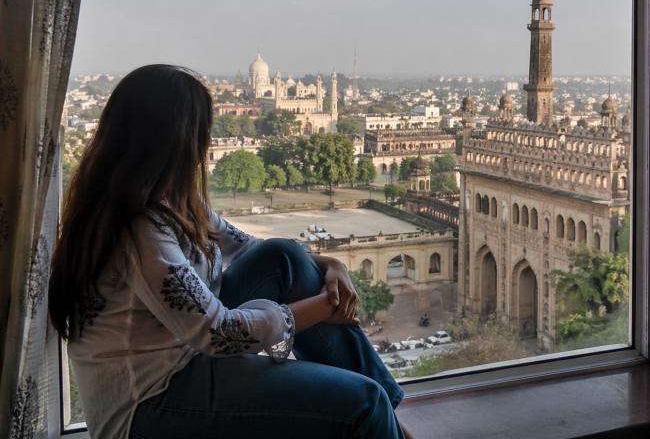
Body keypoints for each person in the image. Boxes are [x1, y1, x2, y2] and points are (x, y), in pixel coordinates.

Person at [49, 65, 410, 439]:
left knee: (282, 258)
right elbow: (219, 334)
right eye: (201, 134)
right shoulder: (138, 227)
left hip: (184, 354)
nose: (205, 147)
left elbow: (254, 249)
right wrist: (324, 308)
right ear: (175, 141)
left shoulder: (173, 200)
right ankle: (384, 419)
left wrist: (332, 265)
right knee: (363, 404)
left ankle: (392, 423)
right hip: (150, 400)